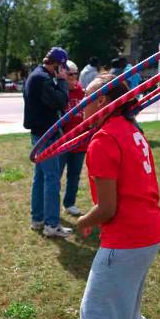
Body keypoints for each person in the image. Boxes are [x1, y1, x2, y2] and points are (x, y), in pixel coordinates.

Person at [78, 74, 160, 319]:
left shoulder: (103, 139)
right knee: (127, 312)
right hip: (149, 232)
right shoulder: (131, 129)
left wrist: (83, 222)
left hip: (126, 239)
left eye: (86, 99)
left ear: (102, 100)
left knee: (97, 317)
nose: (80, 105)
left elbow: (107, 209)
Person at [23, 46, 73, 238]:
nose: (64, 72)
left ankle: (38, 219)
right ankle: (51, 224)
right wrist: (61, 82)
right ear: (57, 65)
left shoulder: (36, 75)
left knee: (41, 178)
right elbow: (60, 101)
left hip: (40, 133)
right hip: (46, 135)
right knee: (52, 179)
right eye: (62, 68)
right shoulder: (43, 79)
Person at [60, 60, 86, 216]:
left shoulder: (82, 92)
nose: (72, 78)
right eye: (69, 74)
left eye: (74, 74)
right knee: (56, 175)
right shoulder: (60, 92)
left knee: (74, 174)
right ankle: (52, 204)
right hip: (62, 141)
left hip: (79, 141)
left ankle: (69, 203)